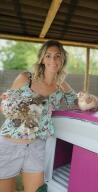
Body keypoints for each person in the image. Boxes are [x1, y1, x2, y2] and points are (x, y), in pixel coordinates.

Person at [0, 40, 82, 192]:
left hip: (37, 146)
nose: (53, 60)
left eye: (57, 56)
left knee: (38, 190)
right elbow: (4, 104)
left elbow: (78, 103)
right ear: (42, 59)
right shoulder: (25, 78)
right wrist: (22, 108)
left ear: (62, 59)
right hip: (9, 144)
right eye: (48, 56)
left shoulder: (61, 85)